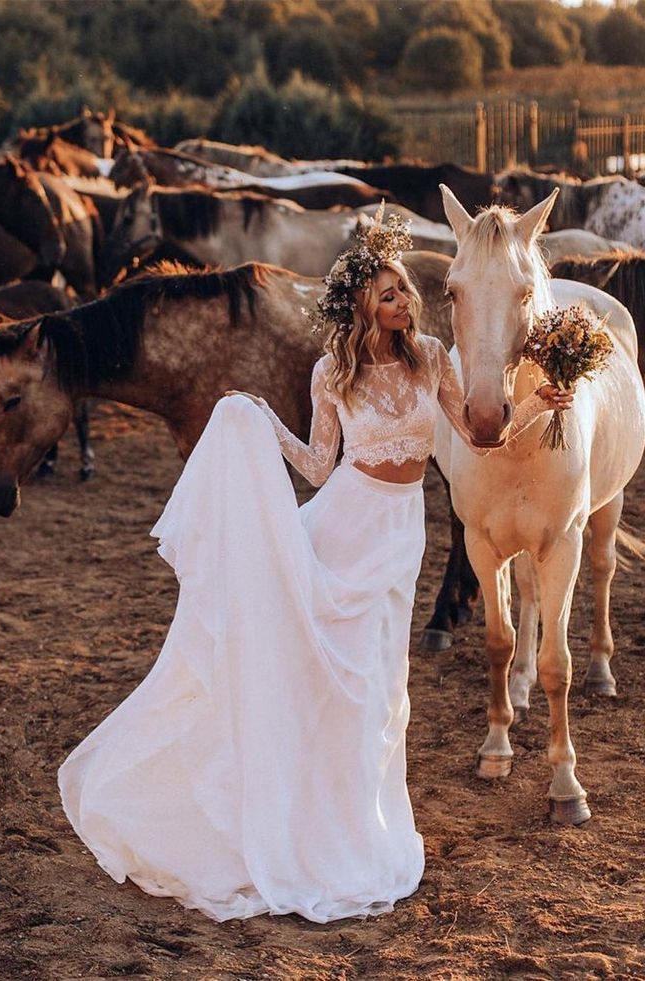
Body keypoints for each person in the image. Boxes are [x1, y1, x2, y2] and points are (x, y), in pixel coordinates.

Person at [58, 209, 571, 924]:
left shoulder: (432, 357)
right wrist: (258, 423)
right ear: (363, 304)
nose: (402, 301)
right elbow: (319, 467)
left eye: (403, 292)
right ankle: (314, 825)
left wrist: (541, 408)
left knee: (381, 687)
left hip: (398, 534)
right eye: (388, 293)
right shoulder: (332, 371)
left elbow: (481, 441)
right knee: (337, 683)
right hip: (344, 523)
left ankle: (362, 826)